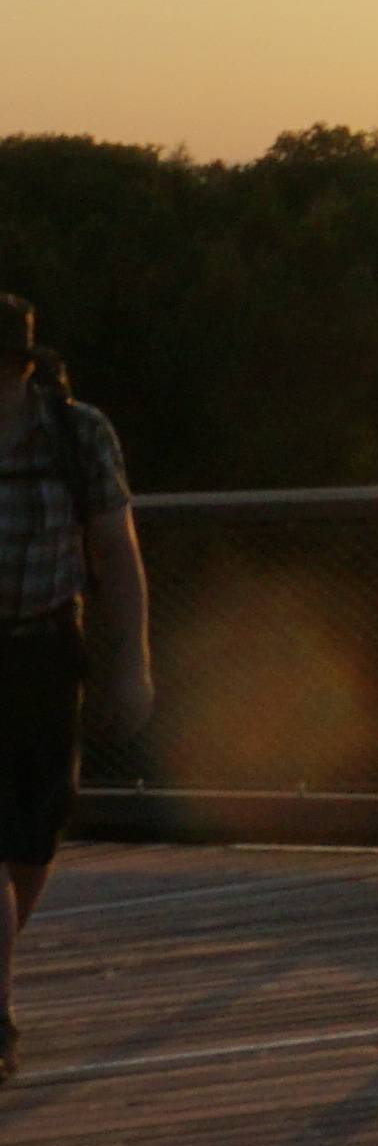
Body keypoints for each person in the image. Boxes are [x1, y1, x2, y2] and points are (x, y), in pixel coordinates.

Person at [1, 294, 151, 1090]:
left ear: (23, 366)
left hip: (47, 651)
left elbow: (117, 554)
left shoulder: (76, 433)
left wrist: (131, 665)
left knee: (34, 838)